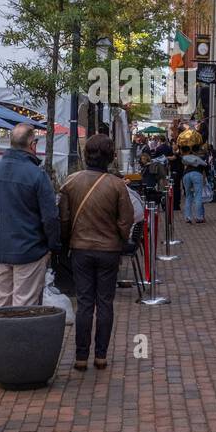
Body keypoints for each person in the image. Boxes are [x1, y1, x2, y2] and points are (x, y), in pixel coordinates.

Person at [59, 134, 135, 372]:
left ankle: (81, 356)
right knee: (105, 302)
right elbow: (126, 220)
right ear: (110, 156)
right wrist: (121, 239)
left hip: (80, 248)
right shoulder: (117, 185)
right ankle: (100, 355)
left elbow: (63, 218)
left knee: (84, 303)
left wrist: (65, 241)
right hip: (109, 250)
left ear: (86, 155)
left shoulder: (70, 183)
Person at [0, 123, 61, 308]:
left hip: (0, 249)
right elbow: (50, 217)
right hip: (30, 250)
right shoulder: (37, 176)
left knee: (0, 302)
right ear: (33, 144)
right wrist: (52, 245)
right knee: (24, 305)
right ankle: (19, 337)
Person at [181, 143, 208, 224]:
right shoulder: (201, 157)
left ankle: (188, 217)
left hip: (186, 175)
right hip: (197, 174)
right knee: (198, 195)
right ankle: (199, 217)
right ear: (199, 150)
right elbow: (205, 168)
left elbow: (184, 165)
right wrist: (204, 179)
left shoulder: (187, 158)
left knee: (188, 196)